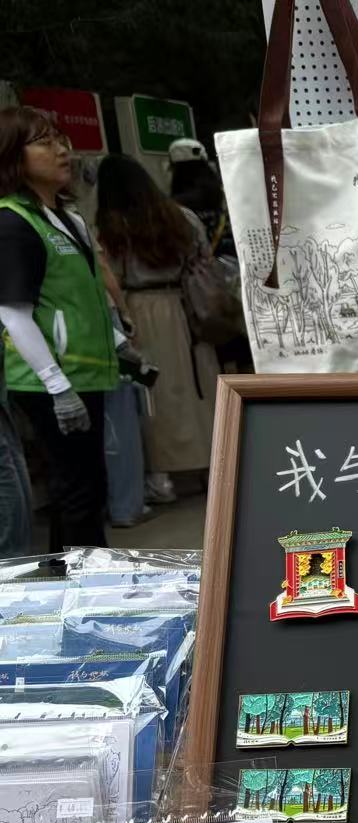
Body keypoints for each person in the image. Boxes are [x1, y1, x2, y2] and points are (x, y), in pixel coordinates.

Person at [0, 106, 117, 551]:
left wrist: (119, 341)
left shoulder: (67, 218)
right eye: (44, 142)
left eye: (60, 139)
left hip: (84, 373)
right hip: (52, 380)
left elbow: (77, 295)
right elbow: (13, 314)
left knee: (85, 489)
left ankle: (70, 578)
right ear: (13, 154)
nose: (61, 150)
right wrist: (57, 386)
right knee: (79, 493)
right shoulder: (12, 221)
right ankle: (87, 584)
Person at [96, 153, 220, 504]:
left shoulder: (112, 227)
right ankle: (212, 466)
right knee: (200, 388)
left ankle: (162, 477)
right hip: (186, 307)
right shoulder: (181, 216)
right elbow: (203, 260)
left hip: (141, 309)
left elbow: (111, 277)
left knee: (154, 395)